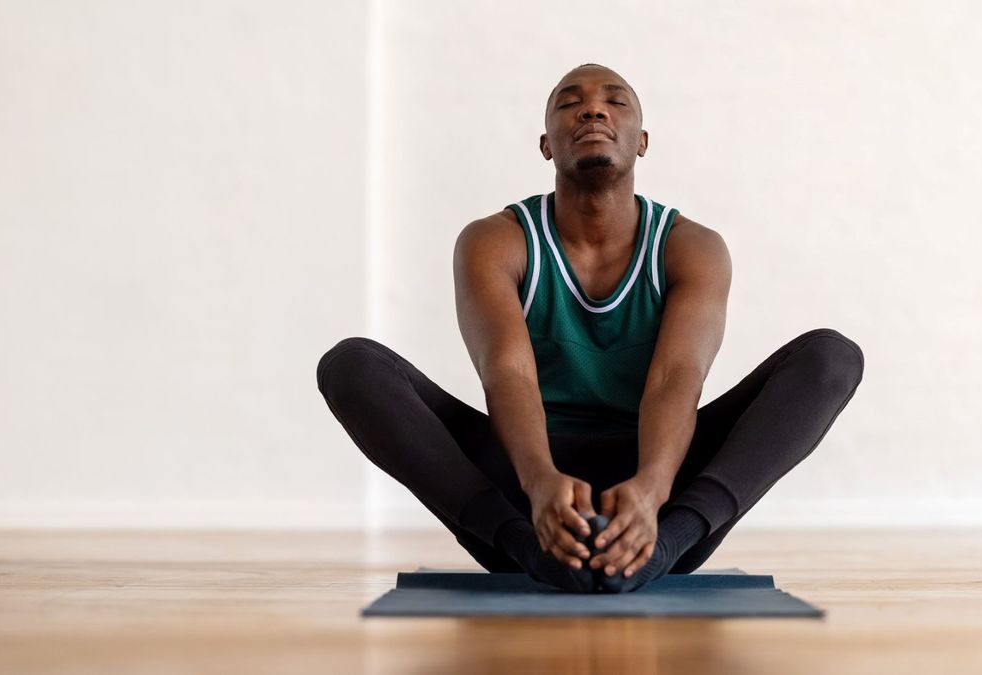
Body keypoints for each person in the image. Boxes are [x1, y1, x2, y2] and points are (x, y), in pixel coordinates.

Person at [317, 63, 864, 593]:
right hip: (523, 491)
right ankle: (530, 550)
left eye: (614, 101)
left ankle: (663, 547)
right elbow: (507, 372)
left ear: (642, 140)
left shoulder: (691, 247)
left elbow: (676, 377)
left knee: (829, 357)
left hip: (663, 489)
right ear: (546, 144)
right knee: (353, 366)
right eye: (570, 103)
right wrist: (538, 483)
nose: (593, 110)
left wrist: (652, 492)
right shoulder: (496, 240)